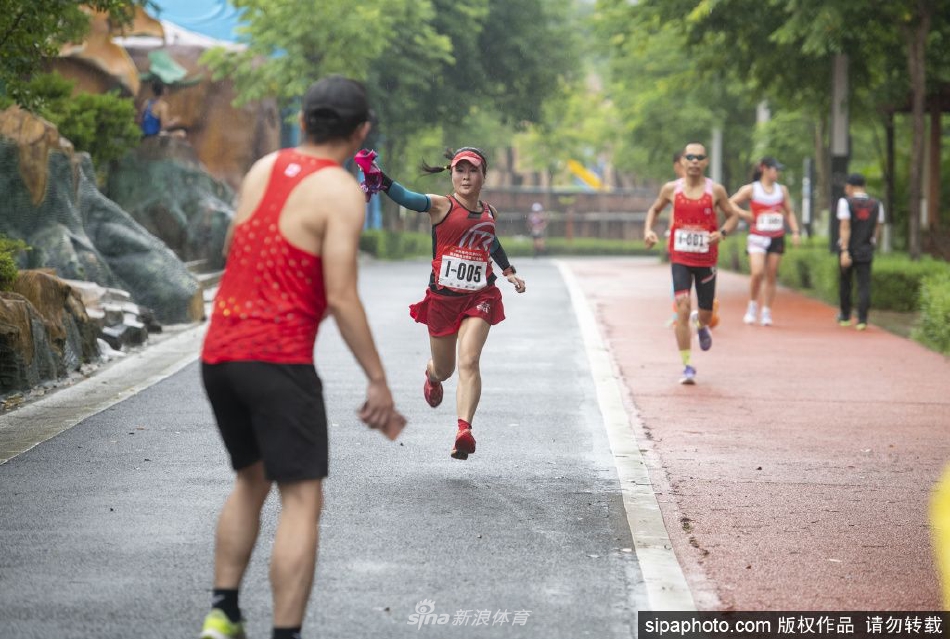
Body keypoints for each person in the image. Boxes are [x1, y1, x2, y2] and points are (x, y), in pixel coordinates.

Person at [198, 75, 405, 639]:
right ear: (362, 131)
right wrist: (378, 380)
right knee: (301, 498)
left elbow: (229, 249)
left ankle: (223, 613)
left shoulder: (263, 168)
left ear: (304, 120)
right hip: (277, 361)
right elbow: (341, 295)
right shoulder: (341, 192)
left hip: (218, 353)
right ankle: (285, 633)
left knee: (250, 479)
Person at [361, 146, 526, 459]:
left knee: (470, 360)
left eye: (472, 170)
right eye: (460, 170)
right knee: (446, 368)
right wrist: (380, 180)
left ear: (483, 176)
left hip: (480, 296)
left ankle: (464, 430)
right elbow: (409, 198)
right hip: (443, 300)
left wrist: (508, 271)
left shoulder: (490, 213)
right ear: (451, 174)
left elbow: (490, 241)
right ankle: (432, 375)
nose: (465, 177)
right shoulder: (441, 206)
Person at [643, 142, 742, 384]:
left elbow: (733, 216)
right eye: (690, 157)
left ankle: (702, 324)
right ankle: (687, 365)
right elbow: (654, 210)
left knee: (706, 315)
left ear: (706, 162)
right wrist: (648, 230)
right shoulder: (671, 189)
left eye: (699, 157)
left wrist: (723, 233)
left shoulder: (715, 190)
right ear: (683, 162)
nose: (695, 161)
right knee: (682, 306)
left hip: (706, 258)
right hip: (681, 257)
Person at [729, 157, 801, 326]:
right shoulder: (751, 189)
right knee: (757, 272)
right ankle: (752, 305)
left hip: (776, 236)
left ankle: (767, 310)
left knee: (771, 274)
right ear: (764, 169)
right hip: (757, 236)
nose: (778, 172)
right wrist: (745, 215)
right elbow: (729, 202)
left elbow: (789, 212)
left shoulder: (782, 191)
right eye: (775, 169)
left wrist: (796, 231)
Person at [836, 172, 884, 330]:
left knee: (846, 283)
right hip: (866, 249)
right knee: (864, 284)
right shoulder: (877, 204)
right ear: (864, 186)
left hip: (848, 249)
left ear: (849, 187)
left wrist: (844, 250)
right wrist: (873, 242)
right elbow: (878, 226)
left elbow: (845, 226)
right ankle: (862, 320)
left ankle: (845, 316)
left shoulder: (845, 202)